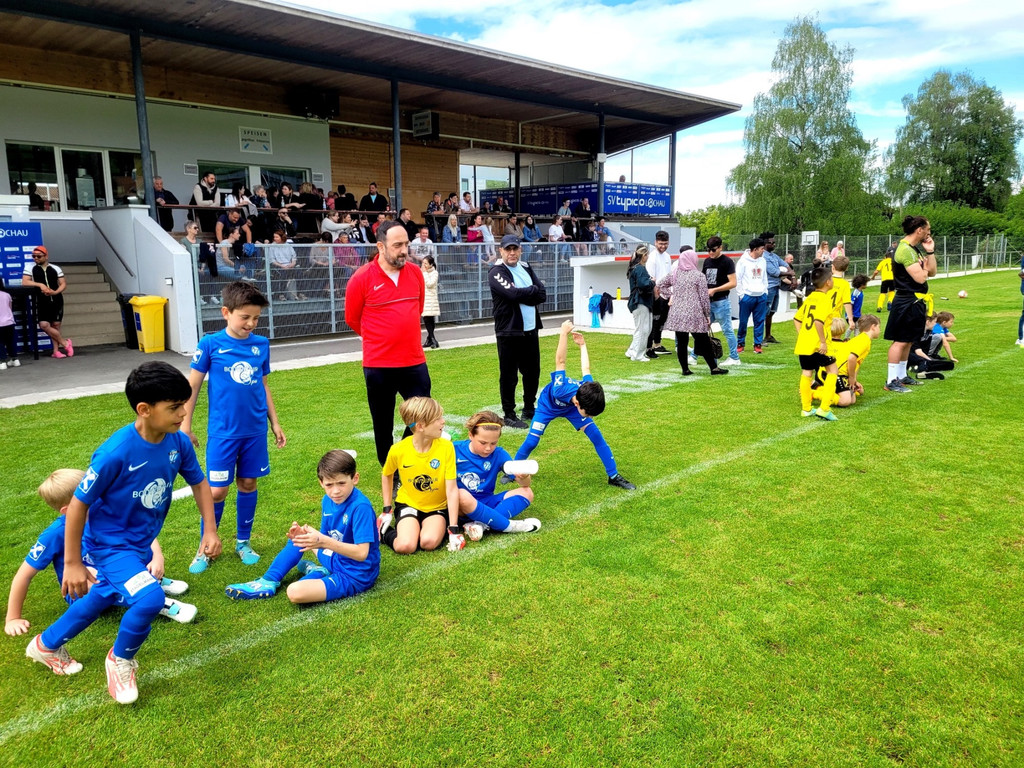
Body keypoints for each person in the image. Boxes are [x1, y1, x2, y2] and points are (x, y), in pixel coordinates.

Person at [24, 361, 220, 704]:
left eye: (185, 404)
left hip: (139, 542)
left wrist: (210, 530)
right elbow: (78, 506)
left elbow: (200, 484)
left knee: (100, 597)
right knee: (150, 599)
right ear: (144, 409)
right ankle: (120, 660)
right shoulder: (115, 453)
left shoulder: (178, 443)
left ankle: (46, 645)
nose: (183, 413)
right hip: (109, 545)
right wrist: (72, 562)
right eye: (174, 407)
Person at [5, 468, 198, 636]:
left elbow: (140, 531)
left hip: (115, 569)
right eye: (90, 497)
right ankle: (157, 601)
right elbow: (24, 575)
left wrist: (157, 557)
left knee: (129, 544)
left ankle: (151, 580)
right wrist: (13, 618)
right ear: (67, 510)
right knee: (95, 574)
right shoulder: (55, 534)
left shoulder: (104, 513)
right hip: (86, 587)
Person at [182, 281, 286, 575]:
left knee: (248, 484)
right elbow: (192, 387)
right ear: (226, 312)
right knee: (217, 491)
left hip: (254, 432)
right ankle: (206, 545)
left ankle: (243, 542)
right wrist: (185, 426)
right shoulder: (210, 344)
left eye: (256, 318)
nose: (251, 324)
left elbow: (263, 386)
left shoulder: (261, 345)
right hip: (223, 434)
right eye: (245, 317)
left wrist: (274, 422)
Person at [224, 450, 380, 602]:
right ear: (321, 483)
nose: (335, 491)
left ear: (355, 478)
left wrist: (323, 541)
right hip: (336, 559)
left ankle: (318, 572)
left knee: (295, 592)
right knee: (300, 537)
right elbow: (325, 537)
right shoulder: (327, 500)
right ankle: (267, 581)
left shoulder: (360, 507)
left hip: (355, 575)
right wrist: (310, 538)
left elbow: (361, 553)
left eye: (341, 483)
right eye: (329, 485)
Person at [345, 220, 431, 467]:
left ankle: (404, 458)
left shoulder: (415, 273)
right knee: (382, 422)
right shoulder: (361, 278)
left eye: (406, 244)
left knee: (423, 414)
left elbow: (418, 309)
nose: (404, 250)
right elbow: (352, 318)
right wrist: (379, 338)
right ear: (381, 247)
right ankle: (389, 469)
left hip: (413, 360)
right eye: (397, 245)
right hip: (379, 365)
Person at [514, 320, 635, 490]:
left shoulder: (587, 388)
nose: (590, 417)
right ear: (578, 403)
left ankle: (613, 476)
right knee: (532, 441)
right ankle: (512, 470)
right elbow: (560, 361)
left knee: (596, 436)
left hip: (570, 408)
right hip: (548, 406)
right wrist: (563, 333)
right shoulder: (559, 389)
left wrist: (582, 345)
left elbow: (586, 368)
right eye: (589, 414)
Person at [378, 397, 465, 554]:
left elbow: (452, 489)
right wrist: (387, 509)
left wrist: (453, 529)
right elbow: (387, 474)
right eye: (437, 419)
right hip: (408, 505)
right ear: (420, 426)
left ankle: (433, 528)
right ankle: (383, 533)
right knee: (405, 546)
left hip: (437, 508)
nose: (443, 421)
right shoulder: (398, 450)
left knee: (428, 542)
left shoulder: (447, 447)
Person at [489, 234, 546, 428]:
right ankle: (509, 414)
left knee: (532, 373)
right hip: (509, 332)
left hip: (530, 331)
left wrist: (526, 292)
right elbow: (512, 294)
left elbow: (542, 294)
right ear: (501, 251)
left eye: (515, 249)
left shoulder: (526, 267)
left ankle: (529, 408)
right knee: (509, 375)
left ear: (520, 250)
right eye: (508, 249)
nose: (512, 253)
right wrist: (531, 291)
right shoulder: (496, 271)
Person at [454, 412, 540, 535]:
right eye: (483, 443)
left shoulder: (499, 454)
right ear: (470, 435)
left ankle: (481, 525)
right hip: (461, 507)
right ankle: (508, 526)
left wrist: (524, 476)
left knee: (527, 492)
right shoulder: (454, 450)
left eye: (493, 443)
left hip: (487, 502)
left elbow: (524, 484)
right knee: (461, 495)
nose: (488, 448)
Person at [884, 215, 937, 394]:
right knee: (900, 341)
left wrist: (930, 252)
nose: (929, 233)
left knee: (908, 341)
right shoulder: (905, 250)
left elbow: (932, 272)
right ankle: (891, 380)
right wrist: (925, 268)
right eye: (927, 230)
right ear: (919, 230)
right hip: (906, 301)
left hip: (916, 301)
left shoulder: (915, 249)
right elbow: (921, 277)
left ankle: (901, 375)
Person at [658, 248, 728, 376]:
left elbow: (660, 284)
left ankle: (685, 369)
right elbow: (704, 298)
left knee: (682, 342)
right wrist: (707, 314)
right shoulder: (699, 276)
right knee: (703, 341)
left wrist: (671, 295)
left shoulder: (675, 273)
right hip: (694, 313)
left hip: (678, 313)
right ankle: (713, 367)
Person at [793, 267, 839, 421]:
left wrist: (803, 335)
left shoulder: (810, 298)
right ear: (828, 283)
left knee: (807, 373)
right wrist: (823, 342)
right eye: (831, 278)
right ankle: (824, 409)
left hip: (804, 343)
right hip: (818, 345)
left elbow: (797, 319)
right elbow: (819, 322)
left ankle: (806, 408)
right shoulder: (825, 299)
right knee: (833, 371)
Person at [816, 315, 881, 408]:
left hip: (840, 372)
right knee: (845, 401)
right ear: (873, 327)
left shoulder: (862, 339)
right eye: (879, 327)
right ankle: (814, 391)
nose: (880, 330)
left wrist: (854, 380)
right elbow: (851, 358)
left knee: (852, 400)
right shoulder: (864, 340)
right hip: (835, 373)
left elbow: (856, 362)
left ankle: (824, 389)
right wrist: (851, 378)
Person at [22, 246, 72, 358]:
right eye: (34, 256)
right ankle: (65, 343)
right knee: (44, 325)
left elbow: (63, 284)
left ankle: (56, 351)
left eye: (39, 256)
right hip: (41, 300)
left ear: (46, 256)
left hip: (56, 300)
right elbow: (25, 282)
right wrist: (40, 284)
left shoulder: (55, 268)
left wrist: (55, 292)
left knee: (56, 325)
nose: (36, 258)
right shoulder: (30, 267)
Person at [701, 235, 740, 366]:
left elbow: (733, 283)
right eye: (708, 250)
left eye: (713, 250)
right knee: (702, 329)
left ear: (720, 248)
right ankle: (695, 355)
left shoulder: (727, 262)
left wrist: (715, 289)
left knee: (727, 329)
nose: (711, 253)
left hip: (721, 301)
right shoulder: (707, 261)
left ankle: (734, 357)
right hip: (708, 301)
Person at [735, 238, 768, 354]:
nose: (763, 251)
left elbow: (764, 277)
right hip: (747, 296)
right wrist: (741, 295)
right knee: (743, 321)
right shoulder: (742, 261)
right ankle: (740, 343)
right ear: (755, 249)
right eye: (762, 249)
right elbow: (738, 279)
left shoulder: (763, 261)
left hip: (761, 295)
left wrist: (765, 291)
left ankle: (757, 344)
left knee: (759, 321)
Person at [624, 244, 655, 362]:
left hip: (637, 301)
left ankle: (632, 350)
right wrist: (652, 282)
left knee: (641, 328)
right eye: (647, 255)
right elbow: (643, 284)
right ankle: (637, 355)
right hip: (641, 301)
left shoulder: (634, 268)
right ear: (644, 256)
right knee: (643, 329)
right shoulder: (640, 268)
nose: (648, 257)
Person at [760, 232, 792, 344]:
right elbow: (774, 272)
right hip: (769, 287)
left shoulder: (774, 256)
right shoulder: (763, 256)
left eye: (774, 242)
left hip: (776, 286)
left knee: (771, 312)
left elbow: (785, 264)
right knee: (764, 312)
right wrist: (789, 273)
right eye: (771, 243)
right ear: (765, 244)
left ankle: (768, 335)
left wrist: (791, 274)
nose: (774, 244)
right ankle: (759, 338)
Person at [646, 231, 673, 355]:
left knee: (662, 320)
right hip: (656, 294)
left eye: (665, 244)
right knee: (655, 320)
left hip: (667, 293)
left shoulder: (667, 256)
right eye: (661, 244)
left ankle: (658, 343)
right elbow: (651, 278)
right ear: (655, 242)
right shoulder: (652, 257)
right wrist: (656, 296)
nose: (663, 246)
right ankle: (650, 345)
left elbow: (669, 276)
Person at [268, 230, 304, 301]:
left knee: (299, 273)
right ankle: (281, 294)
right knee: (283, 274)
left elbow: (294, 256)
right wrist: (282, 266)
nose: (275, 238)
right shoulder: (272, 246)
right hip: (278, 266)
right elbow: (272, 260)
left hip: (290, 265)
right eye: (274, 237)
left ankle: (300, 293)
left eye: (277, 237)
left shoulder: (288, 245)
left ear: (282, 237)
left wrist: (293, 263)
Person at [828, 255, 855, 331]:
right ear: (846, 268)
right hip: (835, 318)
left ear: (833, 267)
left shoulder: (826, 280)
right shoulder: (844, 284)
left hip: (822, 315)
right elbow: (847, 303)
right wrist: (850, 319)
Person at [421, 255, 440, 349]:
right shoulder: (422, 272)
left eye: (426, 263)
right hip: (423, 297)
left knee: (429, 318)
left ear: (431, 264)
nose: (423, 265)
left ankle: (432, 339)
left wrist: (424, 273)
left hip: (430, 298)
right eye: (423, 263)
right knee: (427, 318)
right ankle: (431, 339)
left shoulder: (434, 273)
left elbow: (430, 284)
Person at [0, 278, 19, 370]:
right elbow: (10, 308)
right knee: (10, 341)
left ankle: (2, 362)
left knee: (0, 343)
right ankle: (15, 360)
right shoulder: (7, 295)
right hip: (9, 322)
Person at [871, 246, 896, 311]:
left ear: (885, 257)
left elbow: (876, 271)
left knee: (883, 293)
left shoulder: (883, 262)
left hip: (885, 280)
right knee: (892, 291)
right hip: (892, 279)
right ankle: (890, 302)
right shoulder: (893, 262)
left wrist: (873, 277)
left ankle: (879, 307)